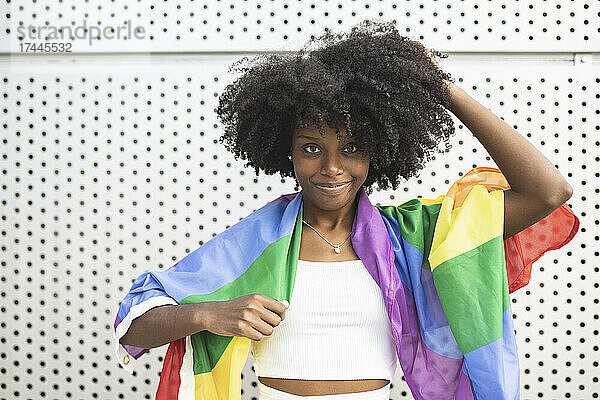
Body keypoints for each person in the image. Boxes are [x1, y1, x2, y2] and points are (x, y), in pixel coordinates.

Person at [113, 20, 579, 400]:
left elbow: (547, 192)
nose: (332, 167)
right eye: (311, 147)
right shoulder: (257, 242)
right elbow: (136, 319)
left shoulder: (415, 238)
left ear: (377, 152)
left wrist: (439, 88)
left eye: (352, 147)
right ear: (287, 153)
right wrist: (208, 315)